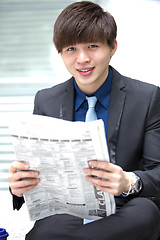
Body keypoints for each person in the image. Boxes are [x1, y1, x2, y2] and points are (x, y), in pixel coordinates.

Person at [8, 1, 160, 240]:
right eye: (70, 49)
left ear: (113, 47)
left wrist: (128, 181)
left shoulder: (147, 97)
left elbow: (158, 172)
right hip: (67, 212)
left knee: (146, 213)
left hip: (125, 208)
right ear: (60, 53)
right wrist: (18, 187)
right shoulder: (46, 100)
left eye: (92, 46)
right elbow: (36, 176)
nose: (82, 59)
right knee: (48, 226)